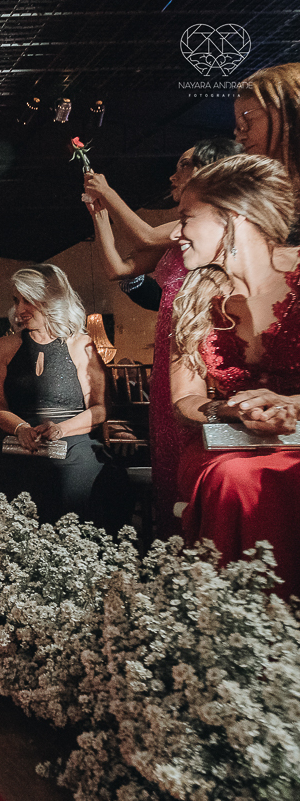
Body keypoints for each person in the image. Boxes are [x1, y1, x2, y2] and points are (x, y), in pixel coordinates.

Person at [86, 138, 244, 533]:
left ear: (211, 171)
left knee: (194, 445)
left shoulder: (192, 227)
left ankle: (205, 530)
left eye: (184, 165)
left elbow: (142, 235)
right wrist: (99, 215)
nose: (173, 175)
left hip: (203, 344)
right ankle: (172, 539)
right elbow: (119, 268)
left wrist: (109, 192)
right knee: (168, 450)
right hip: (170, 349)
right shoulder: (181, 233)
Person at [168, 154, 300, 596]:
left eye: (187, 218)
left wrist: (291, 407)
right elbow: (184, 399)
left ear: (233, 216)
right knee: (233, 477)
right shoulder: (193, 299)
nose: (176, 232)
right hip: (227, 443)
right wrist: (229, 408)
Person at [0, 266, 130, 530]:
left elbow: (99, 409)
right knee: (9, 472)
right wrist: (20, 428)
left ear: (51, 299)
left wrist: (61, 429)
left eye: (27, 299)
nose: (19, 310)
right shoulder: (5, 347)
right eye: (16, 300)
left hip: (73, 436)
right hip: (20, 439)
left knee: (81, 476)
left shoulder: (81, 344)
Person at [234, 63, 300, 243]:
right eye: (238, 125)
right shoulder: (263, 190)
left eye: (247, 119)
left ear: (291, 113)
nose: (239, 134)